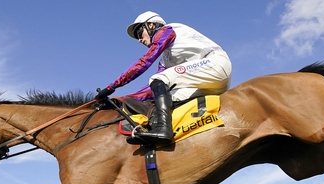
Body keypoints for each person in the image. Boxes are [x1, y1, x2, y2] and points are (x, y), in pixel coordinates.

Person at [94, 11, 232, 145]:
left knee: (158, 79)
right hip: (209, 83)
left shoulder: (167, 30)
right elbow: (150, 89)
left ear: (151, 25)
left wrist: (112, 86)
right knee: (165, 99)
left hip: (216, 64)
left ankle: (164, 130)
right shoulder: (165, 60)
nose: (139, 40)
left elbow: (145, 62)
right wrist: (119, 100)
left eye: (139, 33)